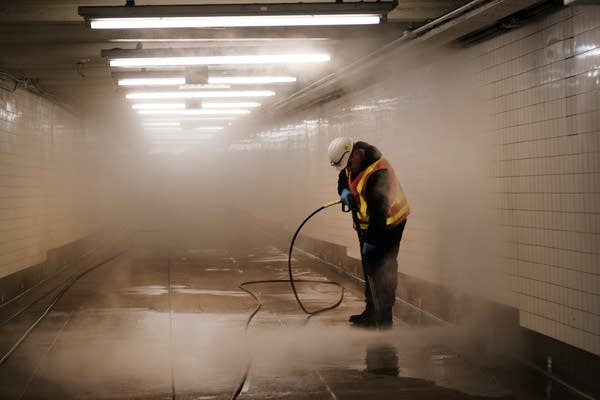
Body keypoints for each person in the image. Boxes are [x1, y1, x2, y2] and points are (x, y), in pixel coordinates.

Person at [327, 137, 409, 328]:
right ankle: (371, 311)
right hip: (369, 226)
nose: (348, 168)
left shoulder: (378, 173)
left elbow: (379, 215)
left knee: (384, 269)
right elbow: (343, 178)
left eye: (348, 164)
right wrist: (344, 193)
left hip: (390, 225)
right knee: (369, 268)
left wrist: (371, 241)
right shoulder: (352, 163)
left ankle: (384, 317)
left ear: (355, 153)